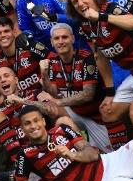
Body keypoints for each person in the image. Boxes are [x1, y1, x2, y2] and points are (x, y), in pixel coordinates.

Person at [66, 0, 133, 142]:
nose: (80, 3)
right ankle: (124, 159)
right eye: (75, 2)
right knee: (108, 111)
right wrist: (110, 92)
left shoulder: (108, 8)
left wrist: (102, 16)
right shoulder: (86, 25)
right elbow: (101, 58)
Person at [15, 105, 133, 181]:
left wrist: (71, 155)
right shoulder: (25, 154)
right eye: (27, 123)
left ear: (43, 121)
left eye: (36, 120)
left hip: (108, 162)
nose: (33, 126)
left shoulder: (62, 130)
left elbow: (92, 154)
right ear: (22, 129)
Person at [37, 23, 113, 153]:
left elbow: (87, 95)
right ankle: (76, 152)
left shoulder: (86, 58)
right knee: (55, 114)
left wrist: (58, 101)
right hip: (74, 111)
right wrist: (44, 76)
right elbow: (54, 93)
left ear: (72, 39)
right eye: (56, 39)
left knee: (109, 153)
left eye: (64, 37)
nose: (61, 42)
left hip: (97, 115)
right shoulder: (53, 61)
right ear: (51, 42)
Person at [0, 17, 49, 97]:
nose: (3, 35)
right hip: (20, 102)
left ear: (14, 32)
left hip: (43, 96)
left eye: (6, 31)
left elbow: (53, 60)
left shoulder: (29, 46)